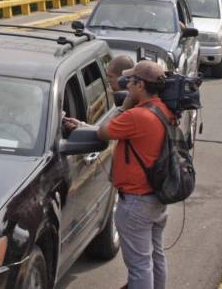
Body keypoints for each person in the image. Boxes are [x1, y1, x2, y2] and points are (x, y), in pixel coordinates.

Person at [65, 60, 172, 289]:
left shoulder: (136, 116)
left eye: (131, 81)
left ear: (140, 85)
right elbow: (120, 131)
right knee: (156, 257)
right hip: (156, 198)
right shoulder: (164, 110)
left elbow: (105, 132)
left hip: (136, 201)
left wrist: (126, 105)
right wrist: (83, 126)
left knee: (140, 265)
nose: (127, 85)